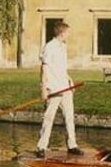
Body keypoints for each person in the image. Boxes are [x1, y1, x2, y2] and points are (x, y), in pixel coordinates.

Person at [35, 21, 82, 158]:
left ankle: (72, 145)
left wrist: (69, 79)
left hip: (65, 87)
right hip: (53, 89)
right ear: (61, 33)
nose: (69, 34)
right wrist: (43, 89)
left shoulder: (63, 47)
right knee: (48, 118)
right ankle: (41, 147)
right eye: (68, 32)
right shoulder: (49, 47)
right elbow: (44, 68)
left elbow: (61, 68)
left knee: (69, 117)